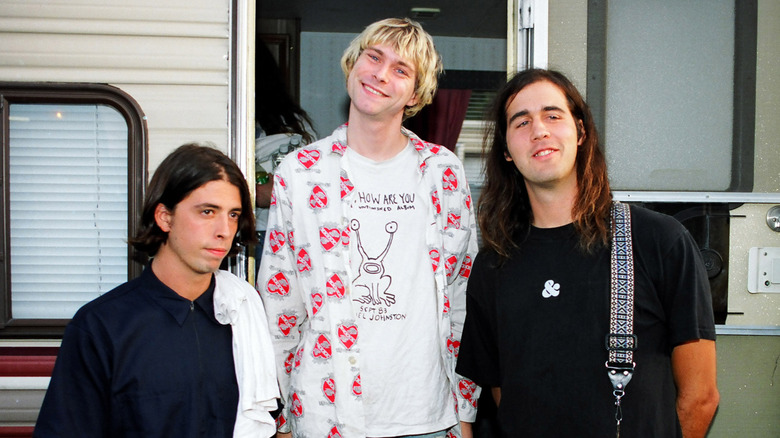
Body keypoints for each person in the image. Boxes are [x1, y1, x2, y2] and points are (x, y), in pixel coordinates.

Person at [455, 69, 720, 437]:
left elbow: (701, 396)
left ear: (580, 132)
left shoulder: (659, 240)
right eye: (521, 122)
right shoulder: (493, 265)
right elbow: (505, 393)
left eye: (552, 115)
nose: (539, 130)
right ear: (506, 151)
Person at [256, 18, 479, 438]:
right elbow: (280, 304)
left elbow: (463, 297)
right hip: (327, 416)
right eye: (374, 57)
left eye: (401, 69)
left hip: (430, 418)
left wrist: (465, 411)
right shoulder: (300, 172)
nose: (380, 74)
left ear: (416, 95)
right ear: (353, 64)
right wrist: (281, 418)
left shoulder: (443, 172)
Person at [34, 144, 279, 438]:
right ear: (164, 217)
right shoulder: (102, 326)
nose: (224, 230)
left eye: (233, 215)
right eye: (207, 211)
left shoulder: (243, 314)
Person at [254, 39, 317, 262]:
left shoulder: (294, 125)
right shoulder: (228, 120)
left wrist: (274, 193)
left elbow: (313, 187)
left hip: (277, 232)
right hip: (238, 230)